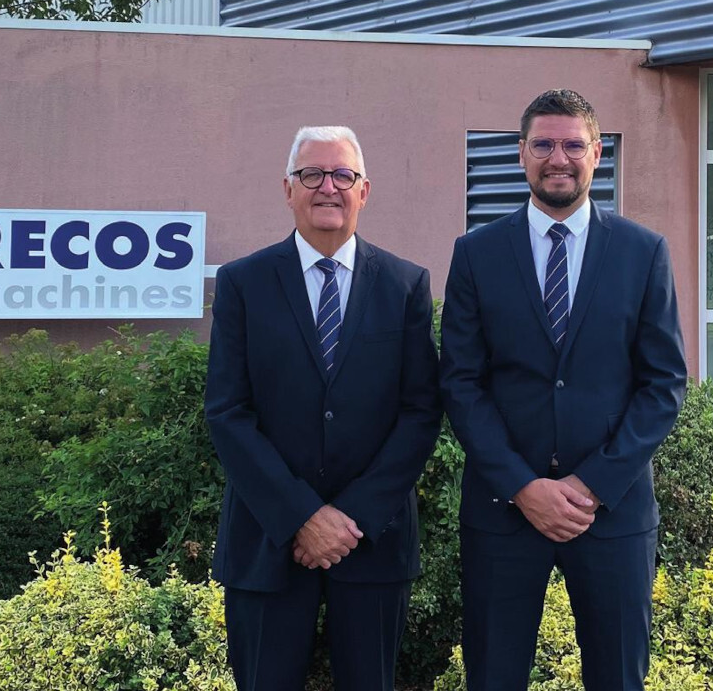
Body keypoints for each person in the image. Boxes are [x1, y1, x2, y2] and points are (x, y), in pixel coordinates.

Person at [439, 90, 688, 691]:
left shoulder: (642, 251)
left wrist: (590, 485)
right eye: (544, 144)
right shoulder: (476, 254)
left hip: (612, 514)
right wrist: (524, 488)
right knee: (494, 677)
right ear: (521, 155)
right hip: (503, 513)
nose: (559, 157)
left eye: (574, 144)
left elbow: (663, 385)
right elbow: (461, 382)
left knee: (619, 678)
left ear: (597, 153)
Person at [205, 126, 441, 691]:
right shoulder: (243, 284)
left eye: (343, 175)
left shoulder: (406, 286)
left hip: (373, 542)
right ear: (288, 189)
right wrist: (302, 518)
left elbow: (420, 412)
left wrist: (349, 518)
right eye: (312, 174)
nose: (327, 187)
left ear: (365, 191)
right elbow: (228, 412)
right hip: (267, 539)